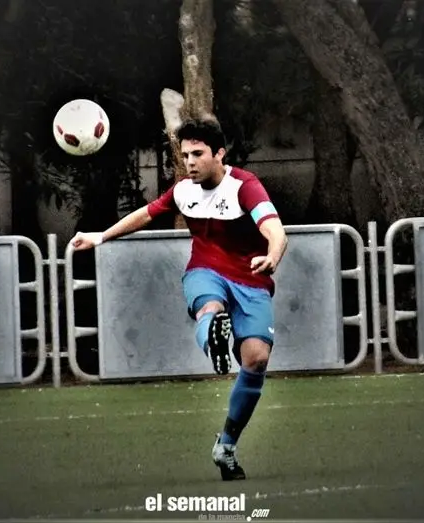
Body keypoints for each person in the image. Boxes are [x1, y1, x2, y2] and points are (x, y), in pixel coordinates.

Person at [71, 118, 288, 481]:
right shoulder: (183, 191)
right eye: (186, 155)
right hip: (205, 271)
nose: (190, 162)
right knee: (209, 306)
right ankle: (213, 339)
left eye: (198, 154)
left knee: (256, 359)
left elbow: (275, 231)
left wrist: (273, 256)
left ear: (219, 154)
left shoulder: (245, 186)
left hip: (251, 279)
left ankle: (226, 445)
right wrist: (101, 236)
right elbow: (145, 214)